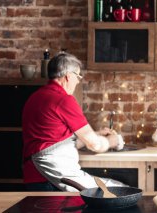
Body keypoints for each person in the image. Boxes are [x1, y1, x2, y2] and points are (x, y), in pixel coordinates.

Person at [22, 53, 126, 191]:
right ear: (68, 76)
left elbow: (55, 141)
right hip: (52, 179)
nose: (78, 82)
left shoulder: (35, 97)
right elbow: (94, 145)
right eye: (78, 76)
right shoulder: (63, 100)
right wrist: (113, 141)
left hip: (33, 178)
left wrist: (96, 133)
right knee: (119, 191)